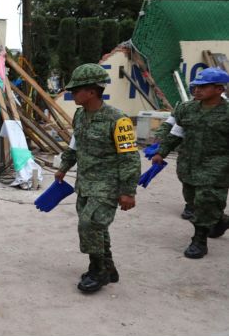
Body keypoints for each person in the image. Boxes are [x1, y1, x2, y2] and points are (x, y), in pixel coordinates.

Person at [55, 63, 140, 293]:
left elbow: (130, 158)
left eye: (76, 89)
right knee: (97, 226)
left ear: (91, 91)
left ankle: (98, 271)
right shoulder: (80, 115)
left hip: (108, 185)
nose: (72, 93)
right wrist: (64, 167)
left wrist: (128, 191)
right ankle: (108, 267)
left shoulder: (118, 120)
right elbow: (75, 144)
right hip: (84, 184)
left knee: (89, 224)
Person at [153, 67, 229, 258]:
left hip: (217, 165)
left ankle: (199, 240)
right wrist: (161, 152)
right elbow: (175, 134)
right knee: (194, 200)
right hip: (188, 164)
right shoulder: (187, 109)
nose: (197, 90)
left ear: (220, 89)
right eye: (196, 86)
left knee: (207, 199)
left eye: (204, 87)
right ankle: (219, 220)